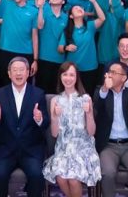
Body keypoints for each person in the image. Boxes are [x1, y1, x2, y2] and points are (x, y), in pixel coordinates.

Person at [0, 57, 49, 197]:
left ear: (28, 72)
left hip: (31, 149)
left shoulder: (38, 94)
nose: (18, 73)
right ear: (9, 73)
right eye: (14, 70)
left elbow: (46, 123)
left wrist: (39, 119)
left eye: (22, 70)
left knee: (36, 176)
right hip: (5, 149)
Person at [44, 62, 101, 196]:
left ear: (76, 77)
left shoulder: (85, 98)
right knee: (61, 178)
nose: (68, 78)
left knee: (74, 180)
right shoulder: (55, 100)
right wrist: (54, 116)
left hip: (83, 148)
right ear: (60, 77)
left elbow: (92, 132)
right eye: (65, 74)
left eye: (71, 75)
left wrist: (88, 114)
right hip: (63, 149)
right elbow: (54, 133)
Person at [94, 61, 128, 197]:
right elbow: (97, 105)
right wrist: (105, 89)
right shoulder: (101, 92)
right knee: (108, 173)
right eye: (109, 72)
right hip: (108, 145)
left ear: (124, 78)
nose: (109, 75)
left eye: (114, 72)